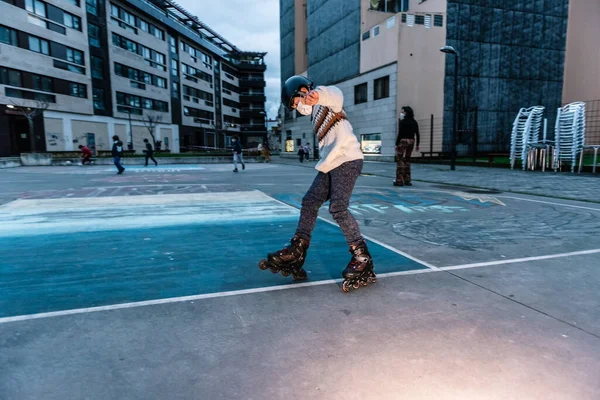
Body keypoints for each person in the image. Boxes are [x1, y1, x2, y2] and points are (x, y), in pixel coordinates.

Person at [258, 75, 376, 292]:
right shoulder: (312, 110)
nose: (299, 106)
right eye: (295, 104)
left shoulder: (325, 97)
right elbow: (304, 107)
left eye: (297, 100)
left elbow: (335, 95)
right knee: (309, 201)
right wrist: (303, 101)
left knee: (338, 208)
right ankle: (298, 248)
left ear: (303, 90)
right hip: (330, 164)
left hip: (347, 159)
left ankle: (362, 256)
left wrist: (316, 95)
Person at [394, 106, 420, 186]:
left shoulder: (403, 122)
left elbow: (400, 134)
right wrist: (417, 144)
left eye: (402, 112)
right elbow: (417, 134)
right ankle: (407, 180)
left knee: (400, 160)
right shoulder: (414, 122)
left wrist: (396, 144)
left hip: (403, 141)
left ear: (406, 113)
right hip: (412, 141)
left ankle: (399, 180)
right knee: (407, 160)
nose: (401, 113)